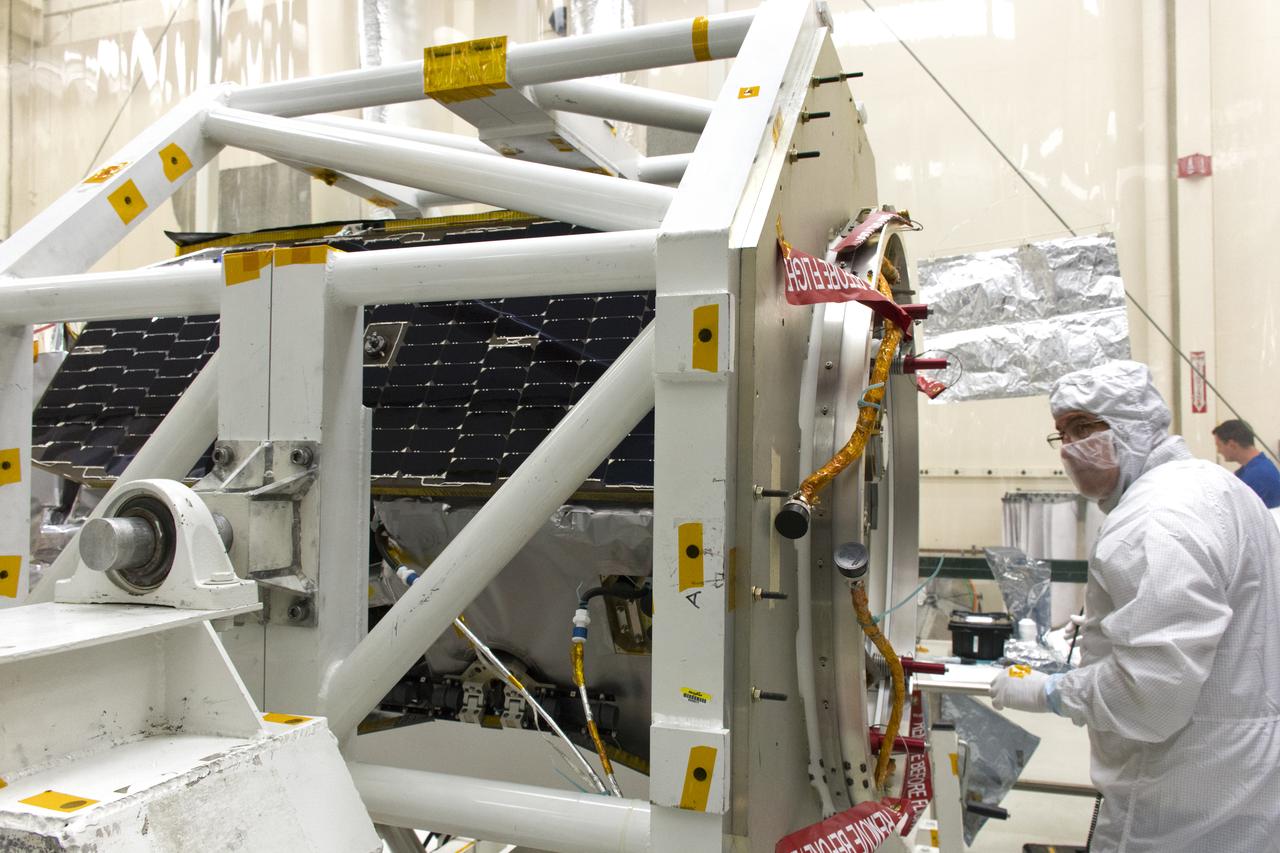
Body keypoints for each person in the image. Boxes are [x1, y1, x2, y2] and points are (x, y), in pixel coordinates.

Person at [988, 360, 1280, 851]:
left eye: (1083, 427)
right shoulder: (1218, 488)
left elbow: (1152, 697)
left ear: (1133, 426)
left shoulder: (1152, 518)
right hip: (1242, 779)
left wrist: (1052, 691)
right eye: (1062, 433)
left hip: (1179, 795)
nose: (1070, 449)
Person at [1212, 419, 1280, 508]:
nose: (1219, 451)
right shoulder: (1251, 469)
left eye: (1219, 445)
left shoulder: (1258, 475)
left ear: (1232, 445)